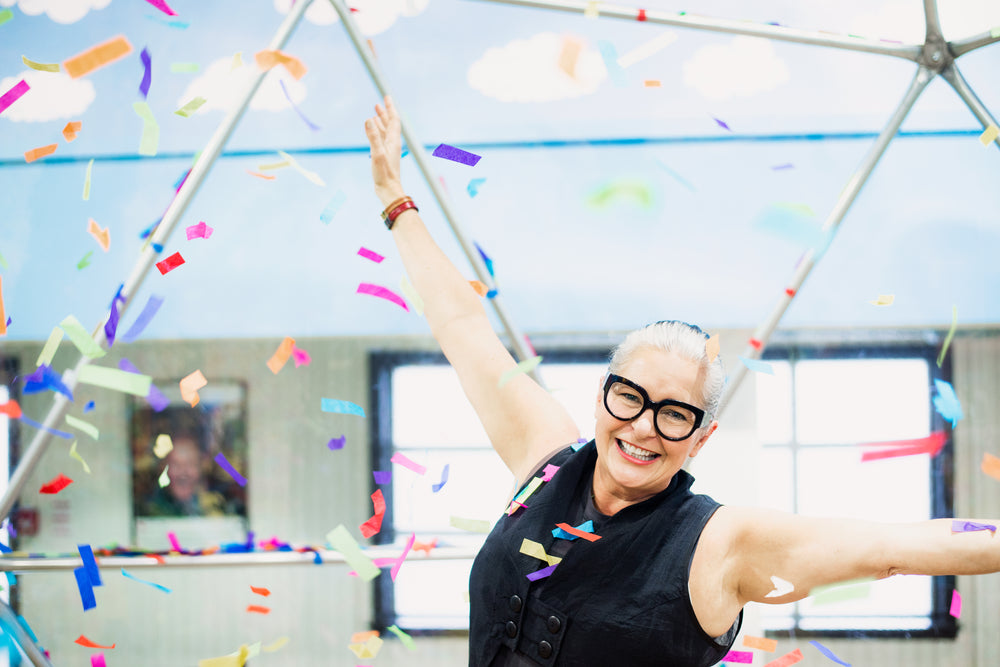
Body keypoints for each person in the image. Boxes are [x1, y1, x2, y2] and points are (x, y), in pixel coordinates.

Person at [364, 96, 1000, 666]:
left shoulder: (720, 543)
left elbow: (897, 545)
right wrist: (397, 201)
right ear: (603, 395)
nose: (642, 427)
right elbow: (461, 325)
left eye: (674, 414)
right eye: (630, 399)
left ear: (701, 437)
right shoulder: (545, 460)